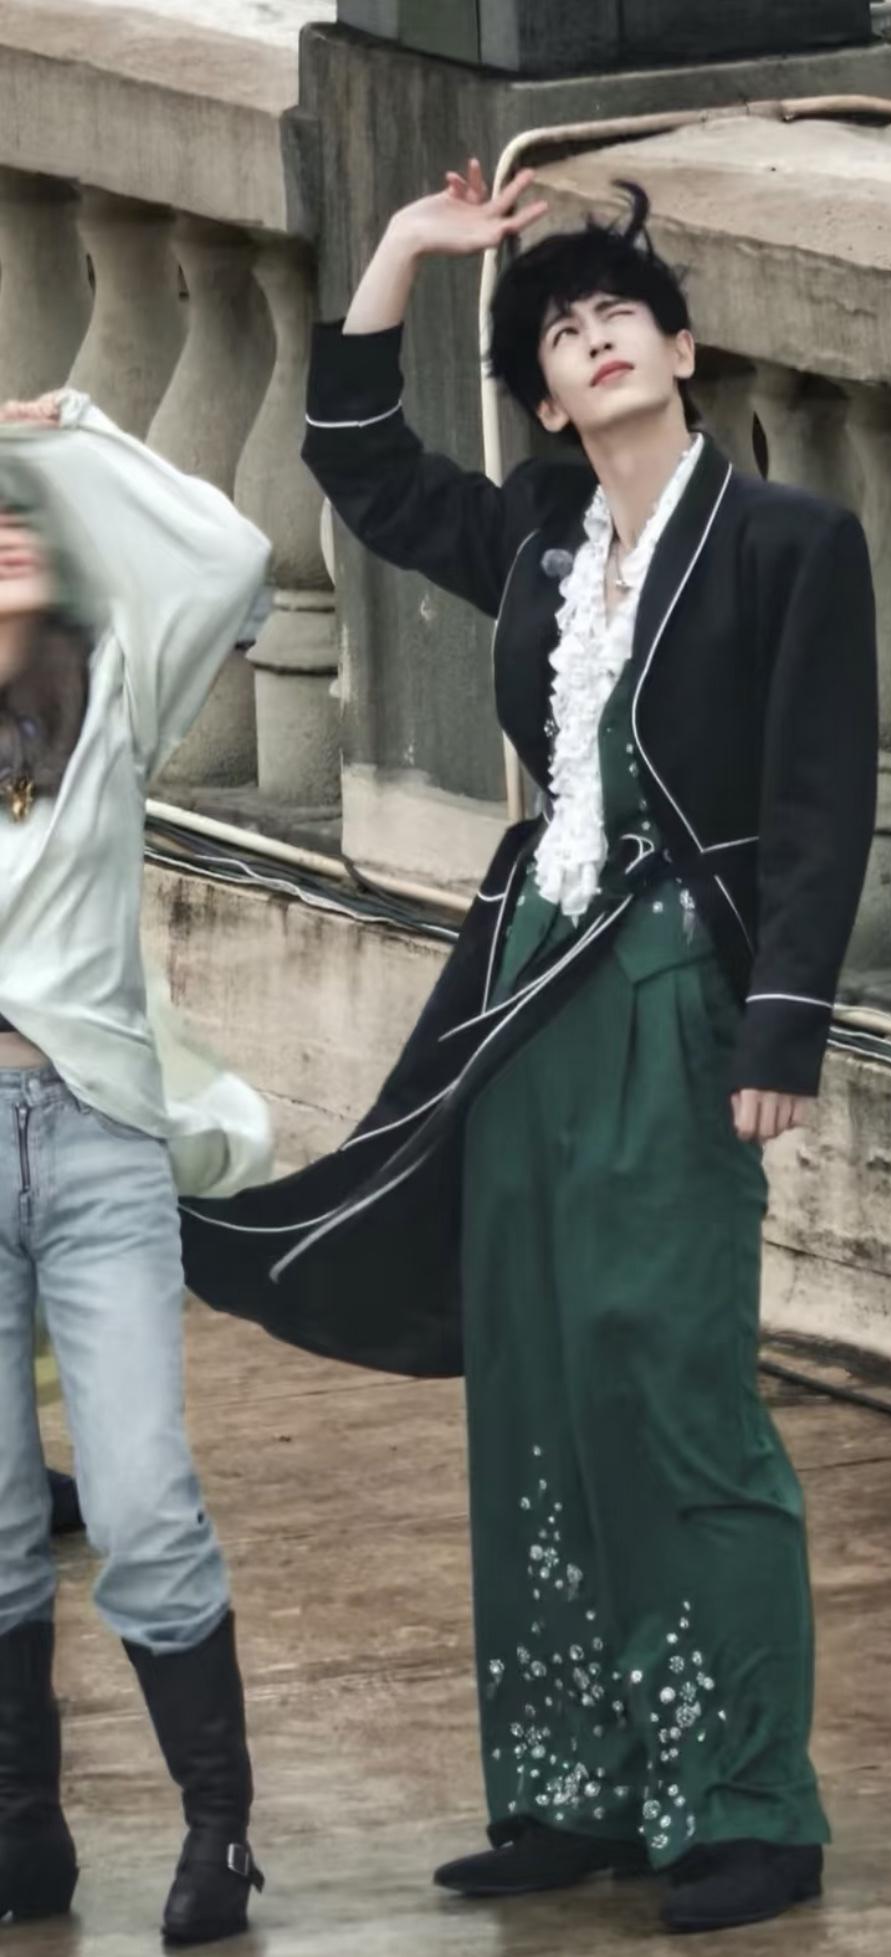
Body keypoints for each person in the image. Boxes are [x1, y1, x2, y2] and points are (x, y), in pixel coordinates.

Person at [182, 163, 877, 1935]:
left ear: (681, 350)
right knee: (540, 1382)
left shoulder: (790, 540)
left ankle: (746, 1802)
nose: (595, 338)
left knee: (670, 1378)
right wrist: (402, 250)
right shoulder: (539, 541)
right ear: (549, 399)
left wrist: (780, 1025)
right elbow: (356, 461)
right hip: (529, 990)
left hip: (676, 990)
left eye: (618, 313)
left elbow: (818, 803)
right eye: (563, 334)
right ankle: (578, 1788)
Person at [0, 393, 273, 1945]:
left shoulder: (109, 695)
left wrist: (83, 428)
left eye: (14, 510)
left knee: (141, 1495)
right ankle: (24, 1833)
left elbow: (230, 556)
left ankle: (219, 1832)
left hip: (93, 1142)